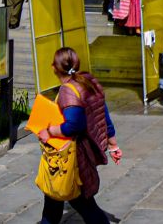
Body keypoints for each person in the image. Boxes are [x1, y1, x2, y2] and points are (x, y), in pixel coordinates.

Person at [33, 46, 119, 224]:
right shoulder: (87, 81)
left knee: (81, 201)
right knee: (53, 199)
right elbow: (103, 113)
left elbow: (74, 124)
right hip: (80, 153)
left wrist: (49, 132)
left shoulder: (68, 91)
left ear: (54, 68)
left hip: (72, 157)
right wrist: (113, 144)